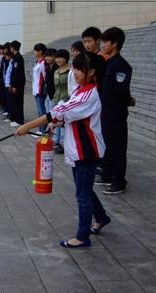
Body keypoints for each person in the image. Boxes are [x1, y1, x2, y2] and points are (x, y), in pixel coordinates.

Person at [15, 52, 111, 248]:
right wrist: (56, 124)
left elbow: (57, 112)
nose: (74, 72)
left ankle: (82, 237)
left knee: (82, 195)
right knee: (84, 189)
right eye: (74, 68)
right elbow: (67, 114)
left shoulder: (88, 94)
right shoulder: (81, 90)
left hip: (86, 151)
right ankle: (101, 217)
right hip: (78, 150)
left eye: (79, 68)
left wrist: (28, 126)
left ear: (91, 72)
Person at [96, 27, 133, 195]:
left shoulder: (121, 65)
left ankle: (119, 181)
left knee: (117, 147)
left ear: (115, 44)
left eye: (105, 42)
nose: (102, 45)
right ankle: (107, 175)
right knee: (108, 145)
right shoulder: (109, 63)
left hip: (115, 114)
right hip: (106, 112)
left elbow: (121, 91)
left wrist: (129, 100)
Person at [53, 49, 70, 154]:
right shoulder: (56, 71)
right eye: (57, 58)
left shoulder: (70, 71)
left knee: (63, 124)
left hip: (66, 101)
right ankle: (56, 142)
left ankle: (64, 145)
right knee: (55, 122)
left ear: (66, 59)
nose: (58, 60)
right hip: (56, 100)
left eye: (61, 57)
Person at [9, 40, 26, 127]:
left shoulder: (18, 58)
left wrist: (14, 85)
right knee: (15, 101)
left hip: (18, 84)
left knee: (18, 102)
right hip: (15, 84)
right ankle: (15, 118)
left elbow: (17, 73)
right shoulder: (16, 57)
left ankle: (19, 120)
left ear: (13, 48)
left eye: (10, 47)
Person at [32, 43, 47, 132]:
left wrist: (42, 89)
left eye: (35, 50)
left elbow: (44, 77)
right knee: (39, 111)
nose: (34, 52)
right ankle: (41, 129)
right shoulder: (37, 62)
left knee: (42, 112)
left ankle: (42, 130)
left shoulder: (43, 63)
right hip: (35, 89)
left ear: (40, 51)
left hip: (40, 90)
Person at [44, 48, 58, 113]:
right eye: (46, 56)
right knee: (48, 112)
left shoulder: (57, 67)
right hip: (48, 94)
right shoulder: (48, 66)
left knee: (52, 114)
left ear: (55, 57)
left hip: (54, 95)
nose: (47, 58)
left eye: (49, 56)